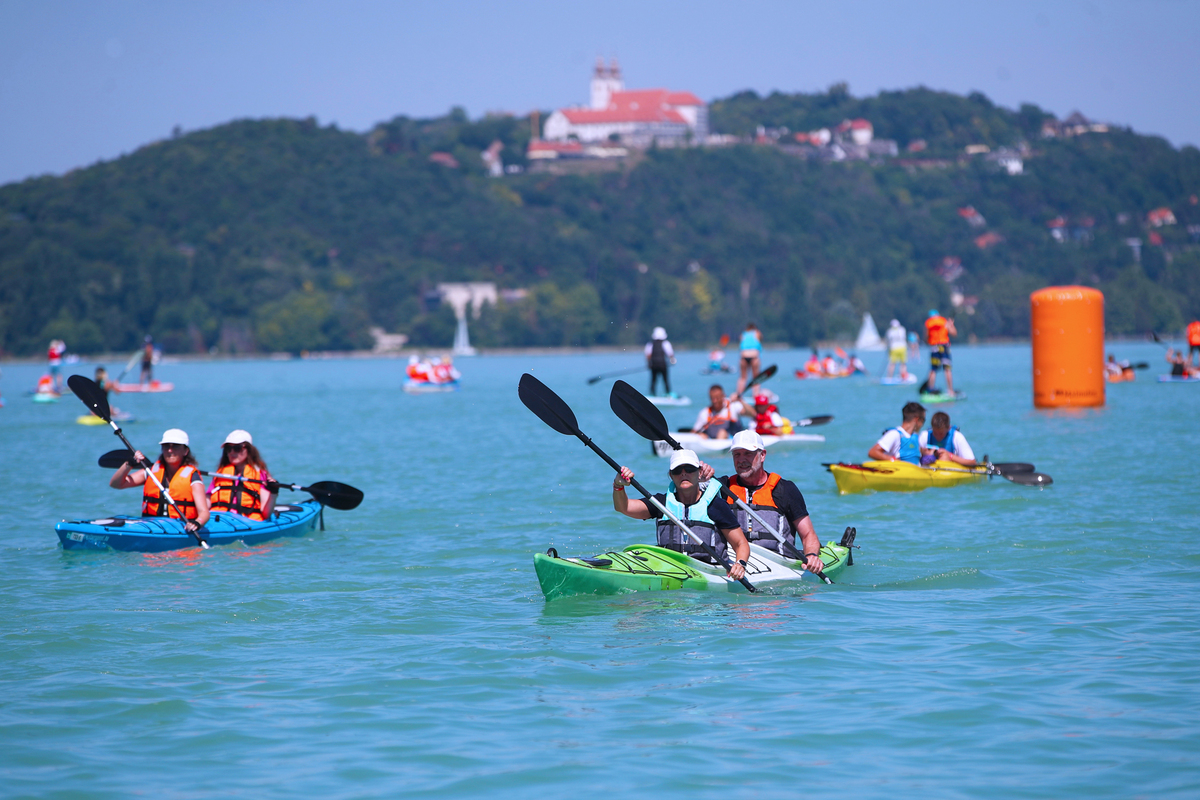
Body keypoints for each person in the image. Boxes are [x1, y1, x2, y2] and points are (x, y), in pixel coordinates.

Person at [611, 450, 749, 580]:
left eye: (689, 469)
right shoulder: (661, 503)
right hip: (670, 570)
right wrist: (618, 485)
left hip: (709, 571)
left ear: (699, 472)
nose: (683, 474)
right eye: (677, 470)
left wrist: (740, 564)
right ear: (671, 475)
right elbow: (624, 507)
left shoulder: (716, 505)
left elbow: (741, 543)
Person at [717, 430, 825, 574]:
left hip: (778, 564)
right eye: (737, 454)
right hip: (735, 562)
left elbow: (808, 534)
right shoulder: (723, 487)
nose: (741, 460)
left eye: (748, 453)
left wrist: (811, 556)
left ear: (762, 455)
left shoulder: (785, 489)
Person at [109, 428, 209, 534]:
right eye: (166, 446)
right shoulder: (151, 471)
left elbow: (204, 512)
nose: (170, 450)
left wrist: (197, 523)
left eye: (175, 446)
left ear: (185, 451)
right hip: (151, 524)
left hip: (179, 526)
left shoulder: (193, 477)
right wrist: (129, 463)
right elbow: (116, 484)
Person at [209, 430, 278, 520]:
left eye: (237, 448)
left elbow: (266, 513)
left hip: (246, 522)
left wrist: (273, 493)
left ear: (248, 450)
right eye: (228, 449)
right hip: (219, 520)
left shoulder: (259, 474)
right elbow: (206, 503)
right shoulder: (220, 474)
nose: (232, 452)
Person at [923, 310, 957, 395]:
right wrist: (951, 325)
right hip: (944, 347)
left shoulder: (928, 323)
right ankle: (950, 390)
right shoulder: (944, 321)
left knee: (933, 369)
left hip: (934, 347)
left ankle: (930, 389)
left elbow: (926, 336)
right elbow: (954, 333)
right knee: (947, 369)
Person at [645, 326, 676, 396]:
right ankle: (668, 394)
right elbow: (670, 354)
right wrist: (672, 360)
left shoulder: (650, 344)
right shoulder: (666, 343)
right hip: (663, 365)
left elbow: (648, 355)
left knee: (653, 380)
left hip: (654, 365)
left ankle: (652, 394)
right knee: (665, 380)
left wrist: (649, 363)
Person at [736, 323, 762, 394]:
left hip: (744, 356)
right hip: (754, 356)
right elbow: (760, 341)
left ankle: (739, 395)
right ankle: (756, 395)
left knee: (743, 378)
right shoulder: (757, 333)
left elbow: (741, 344)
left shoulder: (743, 334)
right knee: (756, 378)